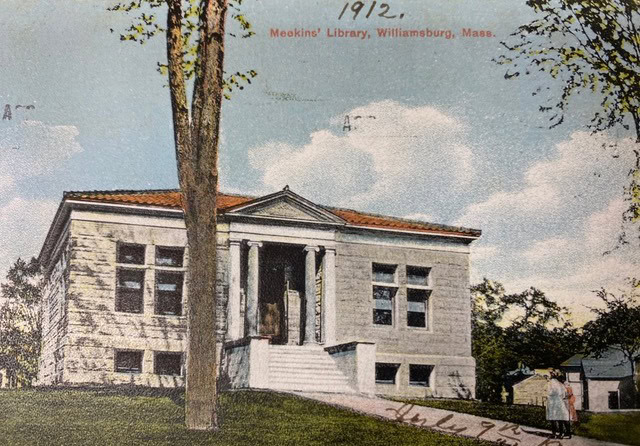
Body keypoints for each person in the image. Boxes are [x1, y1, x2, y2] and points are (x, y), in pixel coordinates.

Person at [546, 371, 570, 439]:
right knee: (560, 417)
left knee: (553, 418)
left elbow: (548, 392)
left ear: (551, 376)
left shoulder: (550, 383)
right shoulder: (560, 383)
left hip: (552, 401)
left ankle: (554, 434)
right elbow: (564, 393)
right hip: (560, 401)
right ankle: (561, 433)